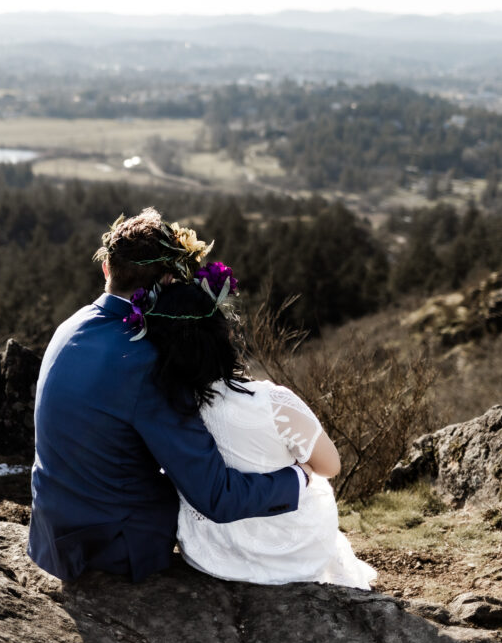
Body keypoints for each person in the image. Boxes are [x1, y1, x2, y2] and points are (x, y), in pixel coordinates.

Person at [27, 209, 309, 584]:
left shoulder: (70, 325)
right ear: (167, 280)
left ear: (107, 269)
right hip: (114, 548)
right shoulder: (145, 361)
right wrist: (299, 479)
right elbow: (216, 497)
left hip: (53, 533)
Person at [143, 275, 376, 589]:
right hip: (291, 552)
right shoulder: (272, 402)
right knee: (315, 482)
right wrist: (302, 472)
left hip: (210, 551)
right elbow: (331, 466)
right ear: (222, 335)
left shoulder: (164, 410)